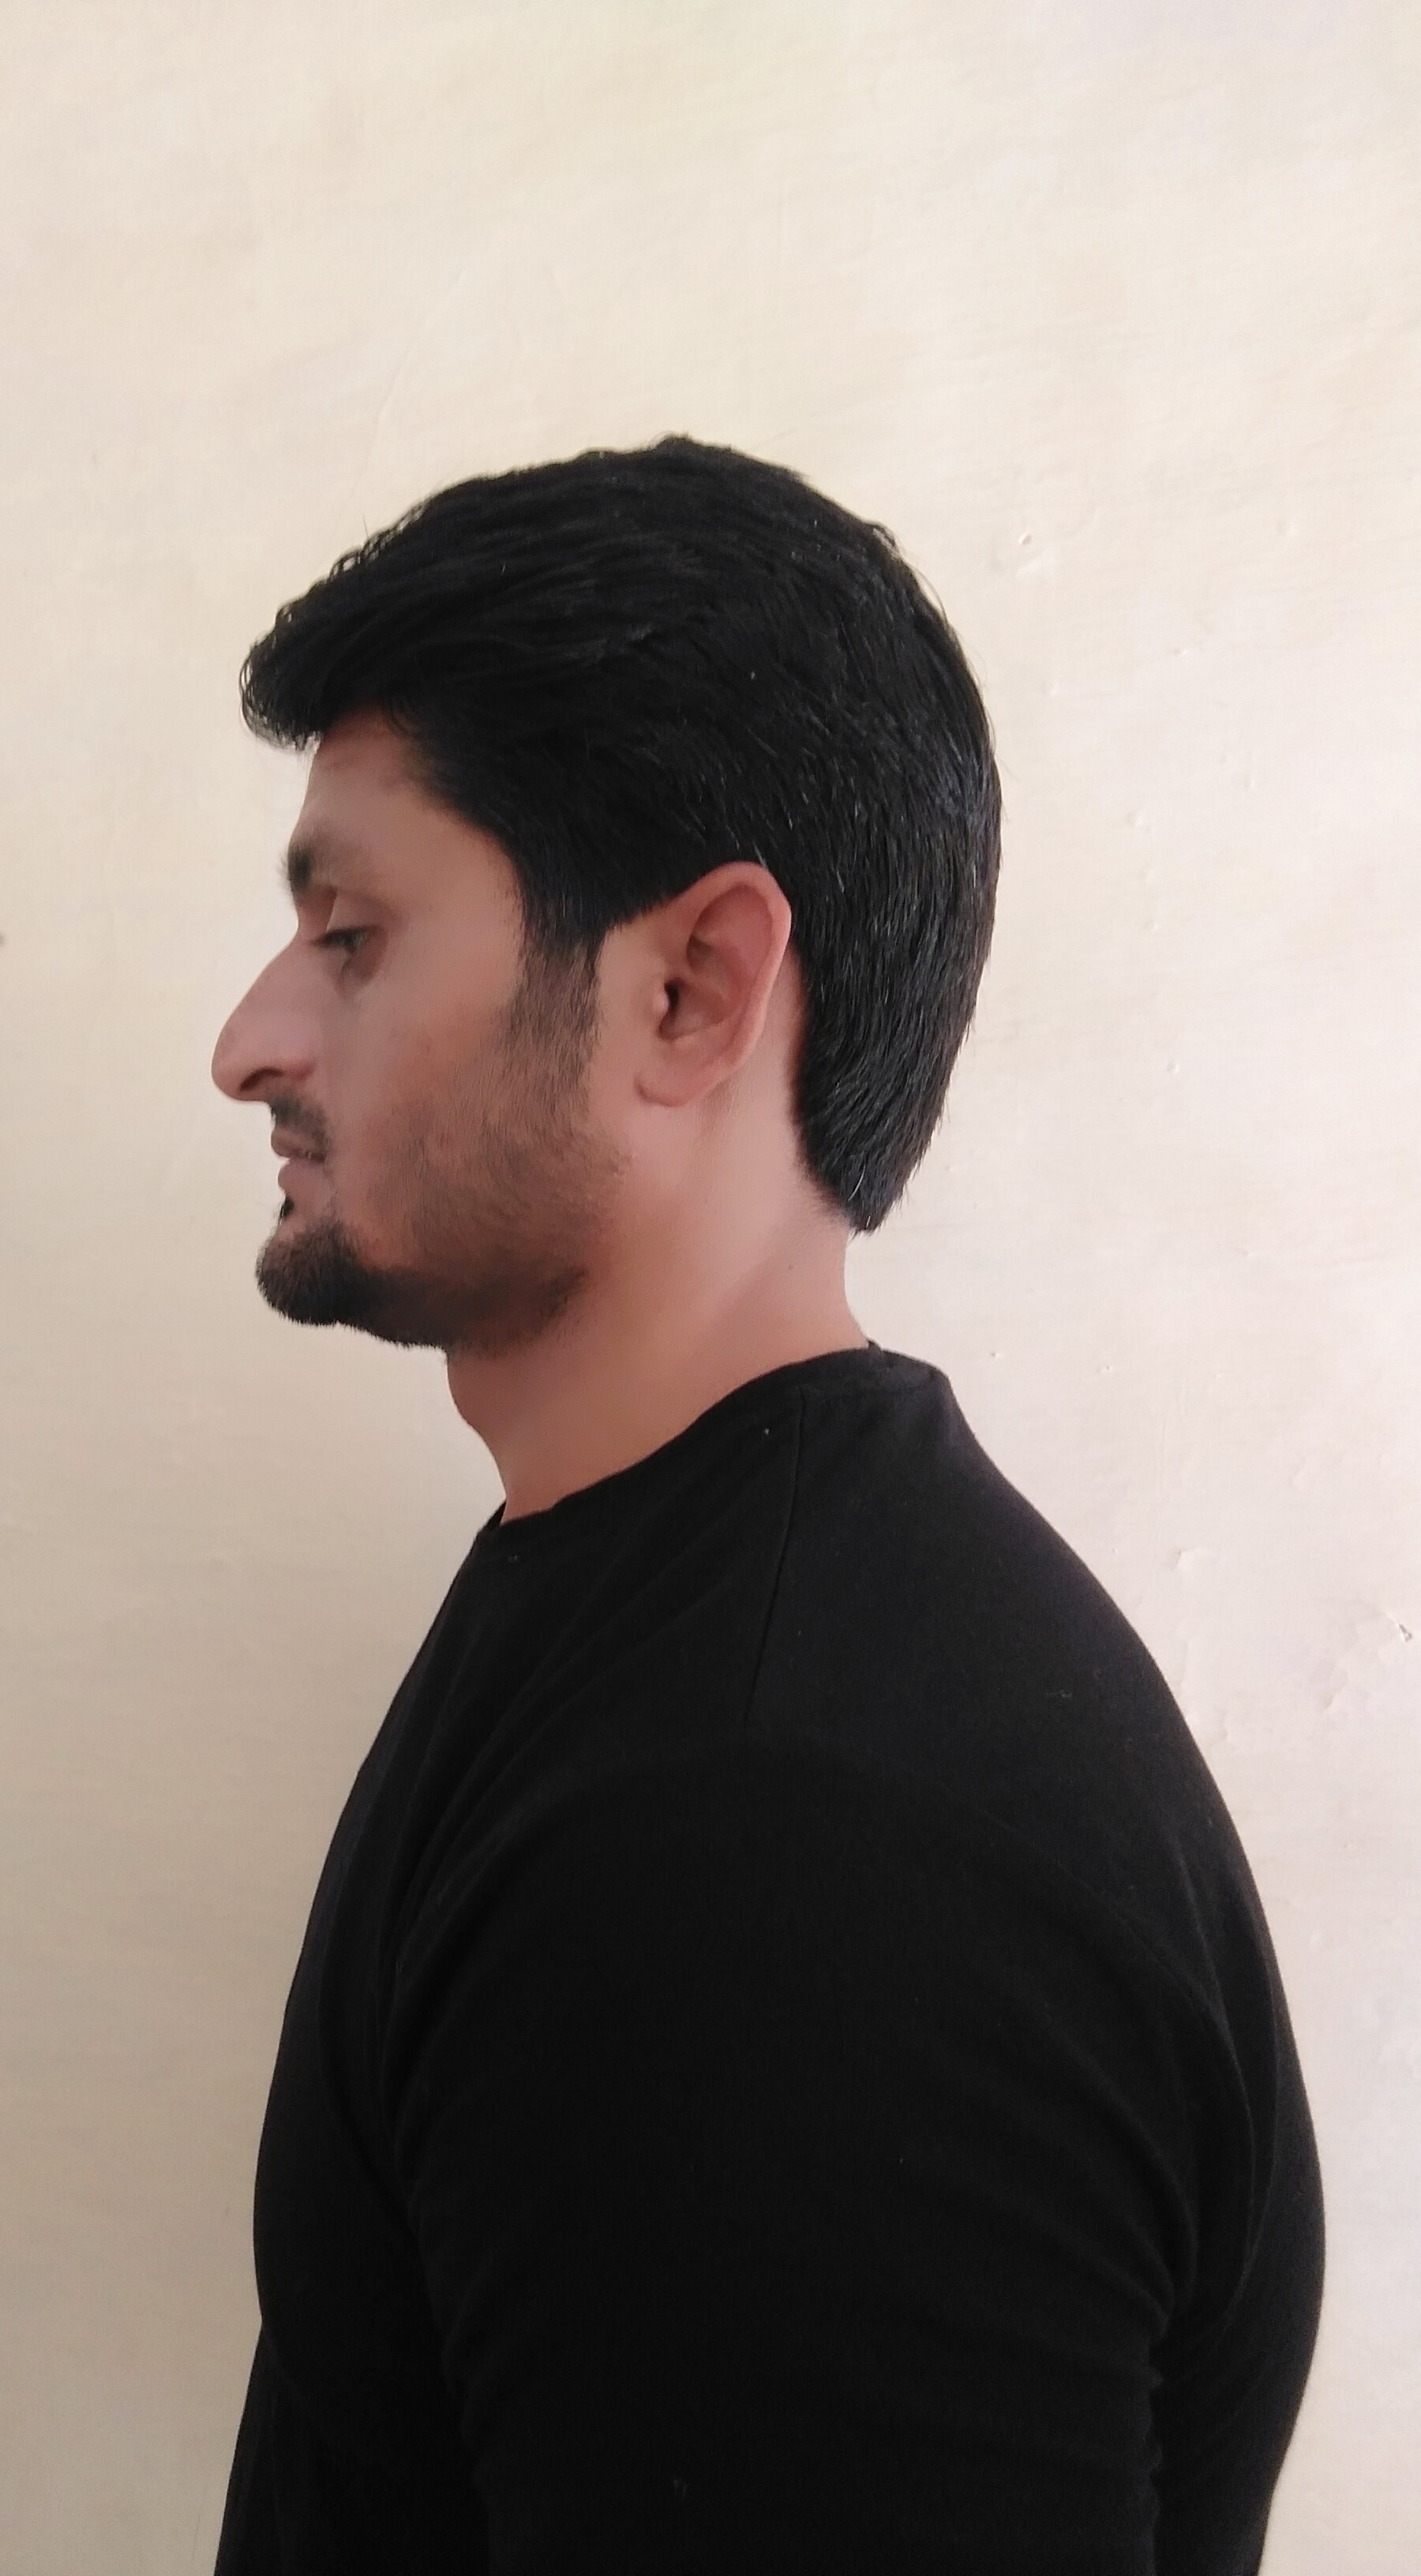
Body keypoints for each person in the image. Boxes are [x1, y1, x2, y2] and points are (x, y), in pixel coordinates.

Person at [205, 439, 1322, 2575]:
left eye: (351, 936)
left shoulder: (774, 1845)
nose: (251, 1043)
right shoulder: (688, 1628)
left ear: (693, 990)